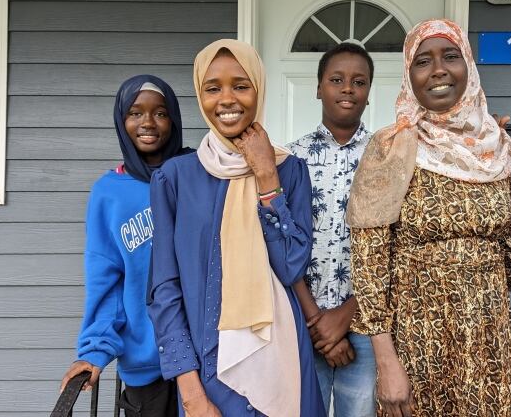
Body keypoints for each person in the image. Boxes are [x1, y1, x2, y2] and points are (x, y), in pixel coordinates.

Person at [346, 19, 511, 416]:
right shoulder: (391, 148)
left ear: (469, 67)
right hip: (418, 341)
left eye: (451, 56)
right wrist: (386, 362)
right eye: (422, 61)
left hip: (487, 343)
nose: (439, 69)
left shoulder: (496, 151)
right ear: (409, 76)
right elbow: (369, 263)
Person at [147, 39, 325, 417]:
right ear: (200, 94)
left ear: (258, 89)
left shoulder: (290, 170)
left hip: (282, 363)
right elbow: (164, 289)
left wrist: (265, 175)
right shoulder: (174, 179)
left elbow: (292, 266)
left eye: (240, 86)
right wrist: (189, 389)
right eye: (213, 88)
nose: (227, 99)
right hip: (206, 371)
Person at [60, 75, 190, 416]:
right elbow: (106, 277)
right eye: (135, 113)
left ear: (173, 120)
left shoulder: (193, 177)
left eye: (160, 113)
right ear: (122, 120)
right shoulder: (108, 192)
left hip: (206, 358)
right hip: (147, 366)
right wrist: (94, 351)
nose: (147, 122)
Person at [288, 42, 377, 416]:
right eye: (336, 79)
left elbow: (397, 246)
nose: (347, 89)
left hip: (368, 323)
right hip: (304, 322)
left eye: (359, 81)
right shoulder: (291, 158)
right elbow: (281, 241)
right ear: (318, 87)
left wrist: (346, 317)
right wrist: (317, 323)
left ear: (369, 92)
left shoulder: (385, 154)